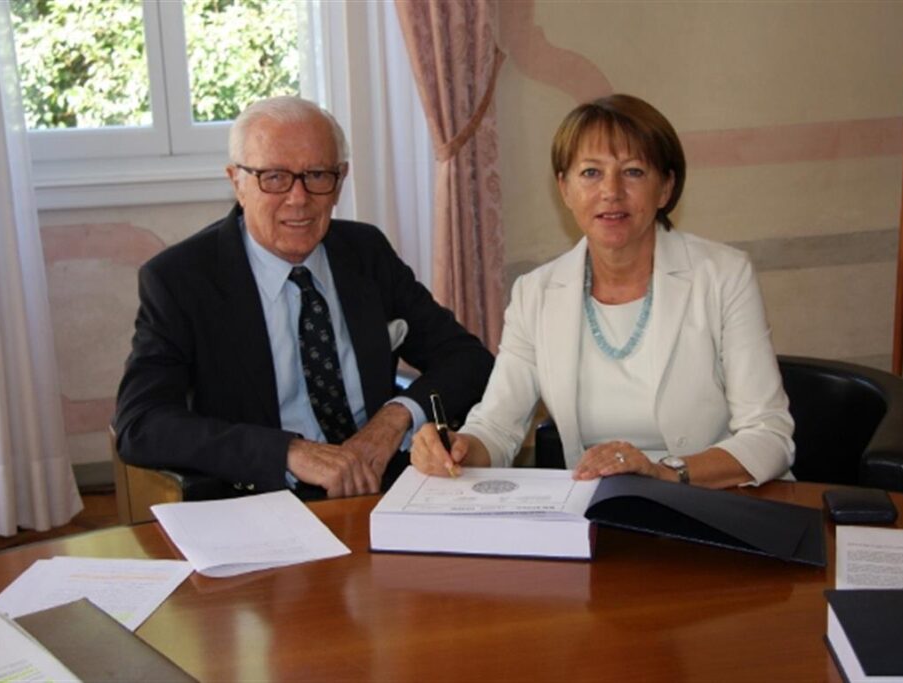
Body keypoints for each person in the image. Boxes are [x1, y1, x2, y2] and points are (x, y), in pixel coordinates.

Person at [114, 96, 494, 499]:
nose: (298, 198)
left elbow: (469, 360)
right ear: (237, 181)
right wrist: (288, 452)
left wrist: (394, 418)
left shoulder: (365, 253)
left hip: (384, 483)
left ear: (340, 181)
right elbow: (141, 422)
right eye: (274, 177)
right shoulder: (181, 279)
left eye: (317, 175)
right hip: (261, 496)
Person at [412, 94, 794, 489]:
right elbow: (496, 427)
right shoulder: (535, 294)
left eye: (633, 172)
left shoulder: (723, 275)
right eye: (591, 172)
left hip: (714, 501)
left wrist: (664, 472)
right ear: (564, 188)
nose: (611, 191)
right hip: (600, 506)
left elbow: (769, 434)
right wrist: (457, 448)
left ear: (665, 188)